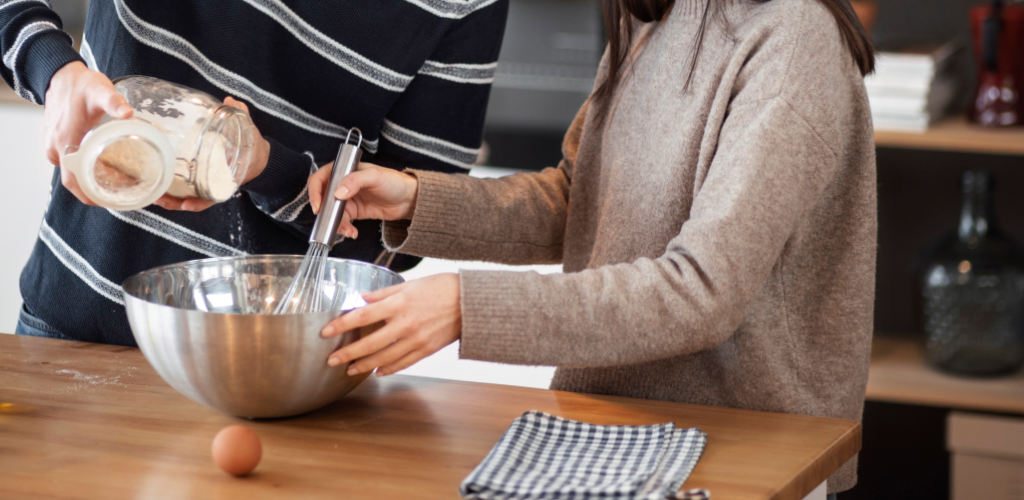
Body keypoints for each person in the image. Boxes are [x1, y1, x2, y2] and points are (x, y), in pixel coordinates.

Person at [309, 0, 876, 495]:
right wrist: (415, 198)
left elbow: (704, 290)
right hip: (607, 431)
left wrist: (466, 307)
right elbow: (580, 201)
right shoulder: (656, 17)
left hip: (739, 448)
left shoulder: (796, 40)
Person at [0, 0, 508, 345]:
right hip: (75, 328)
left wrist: (266, 167)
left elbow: (403, 228)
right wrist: (54, 70)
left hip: (279, 373)